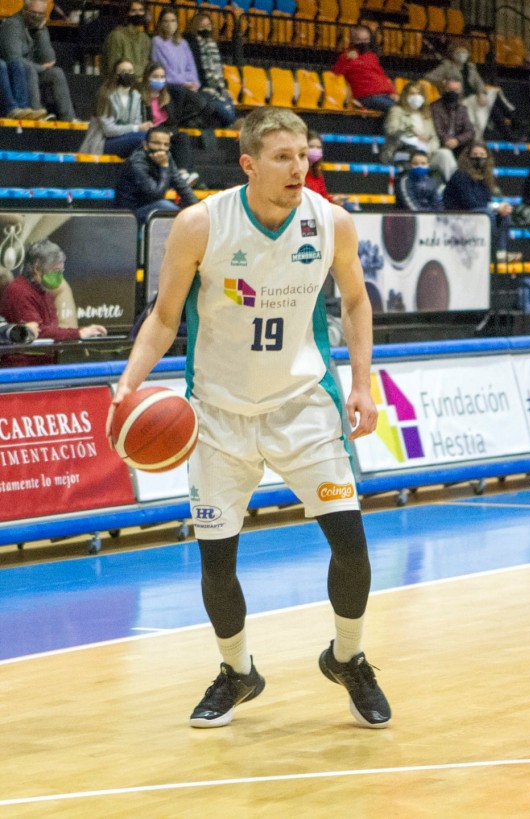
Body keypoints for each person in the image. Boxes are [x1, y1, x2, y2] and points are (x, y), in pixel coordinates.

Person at [108, 106, 390, 730]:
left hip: (304, 404)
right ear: (249, 164)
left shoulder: (331, 222)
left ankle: (348, 658)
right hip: (218, 412)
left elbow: (356, 300)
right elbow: (163, 318)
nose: (299, 168)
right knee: (218, 561)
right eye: (284, 157)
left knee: (350, 541)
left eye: (305, 156)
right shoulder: (199, 224)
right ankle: (237, 672)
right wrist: (130, 381)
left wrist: (363, 385)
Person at [0, 239, 106, 367]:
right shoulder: (18, 291)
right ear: (37, 269)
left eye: (61, 271)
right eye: (55, 271)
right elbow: (37, 332)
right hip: (22, 371)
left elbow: (52, 329)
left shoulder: (44, 292)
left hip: (43, 367)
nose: (59, 277)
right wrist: (78, 333)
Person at [0, 0, 76, 122]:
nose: (37, 17)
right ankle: (36, 111)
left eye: (41, 14)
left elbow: (49, 59)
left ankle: (69, 118)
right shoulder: (13, 25)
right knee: (30, 70)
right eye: (34, 13)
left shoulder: (37, 27)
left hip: (32, 70)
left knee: (56, 73)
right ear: (24, 11)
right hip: (15, 73)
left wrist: (40, 32)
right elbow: (13, 59)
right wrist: (40, 68)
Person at [424, 40, 515, 140]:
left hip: (473, 97)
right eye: (459, 52)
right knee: (492, 103)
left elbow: (479, 83)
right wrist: (445, 83)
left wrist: (481, 93)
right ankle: (512, 123)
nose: (462, 55)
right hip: (460, 99)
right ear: (452, 53)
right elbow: (428, 77)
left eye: (464, 52)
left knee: (492, 98)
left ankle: (510, 128)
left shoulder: (471, 67)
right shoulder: (447, 66)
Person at [114, 125, 199, 223]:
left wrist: (198, 208)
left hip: (152, 208)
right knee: (165, 206)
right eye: (157, 143)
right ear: (146, 145)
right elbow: (156, 194)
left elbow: (181, 185)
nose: (162, 148)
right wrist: (164, 167)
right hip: (130, 214)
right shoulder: (136, 163)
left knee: (193, 209)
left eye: (166, 145)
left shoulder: (167, 157)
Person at [381, 80, 456, 181]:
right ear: (405, 95)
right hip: (402, 151)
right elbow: (391, 130)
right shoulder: (396, 110)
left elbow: (434, 138)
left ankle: (455, 185)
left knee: (444, 154)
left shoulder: (426, 115)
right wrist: (412, 130)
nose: (416, 97)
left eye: (419, 94)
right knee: (416, 159)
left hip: (426, 154)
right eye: (412, 93)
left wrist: (430, 150)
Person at [79, 59, 150, 157]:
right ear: (115, 74)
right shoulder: (105, 95)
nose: (128, 74)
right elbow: (109, 130)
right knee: (142, 140)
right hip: (102, 142)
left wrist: (141, 128)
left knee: (151, 137)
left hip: (126, 137)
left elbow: (137, 122)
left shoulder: (135, 96)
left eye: (130, 71)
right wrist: (136, 128)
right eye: (123, 72)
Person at [185, 12, 236, 128]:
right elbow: (195, 70)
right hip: (202, 89)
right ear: (195, 26)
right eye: (202, 25)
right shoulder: (192, 45)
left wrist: (224, 89)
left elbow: (218, 72)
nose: (206, 28)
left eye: (208, 25)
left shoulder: (213, 45)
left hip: (218, 91)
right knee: (228, 117)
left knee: (229, 113)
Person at [331, 25, 396, 113]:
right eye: (359, 39)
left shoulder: (371, 56)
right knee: (396, 110)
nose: (363, 43)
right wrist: (347, 59)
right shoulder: (346, 57)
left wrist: (392, 92)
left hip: (385, 95)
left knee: (407, 109)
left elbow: (381, 76)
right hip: (367, 96)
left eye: (366, 40)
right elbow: (336, 74)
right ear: (353, 40)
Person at [151, 8, 199, 91]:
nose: (169, 24)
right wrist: (184, 82)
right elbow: (165, 70)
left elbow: (191, 68)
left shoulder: (183, 43)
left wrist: (194, 83)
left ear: (177, 23)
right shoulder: (157, 41)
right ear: (160, 23)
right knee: (198, 102)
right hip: (168, 85)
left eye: (173, 21)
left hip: (187, 85)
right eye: (166, 21)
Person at [100, 0, 151, 80]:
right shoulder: (116, 36)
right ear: (127, 13)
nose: (138, 14)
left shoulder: (145, 39)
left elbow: (145, 66)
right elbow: (113, 67)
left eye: (141, 10)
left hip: (139, 85)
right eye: (133, 11)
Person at [430, 78, 474, 161]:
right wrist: (447, 140)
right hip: (441, 143)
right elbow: (437, 129)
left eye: (456, 90)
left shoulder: (462, 109)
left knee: (476, 149)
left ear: (460, 91)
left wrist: (457, 140)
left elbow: (470, 131)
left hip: (459, 144)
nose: (452, 93)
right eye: (449, 89)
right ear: (444, 89)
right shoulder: (434, 107)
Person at [304, 129, 350, 208]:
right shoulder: (297, 172)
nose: (315, 150)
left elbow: (323, 197)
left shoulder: (317, 173)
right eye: (311, 146)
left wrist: (333, 200)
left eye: (319, 147)